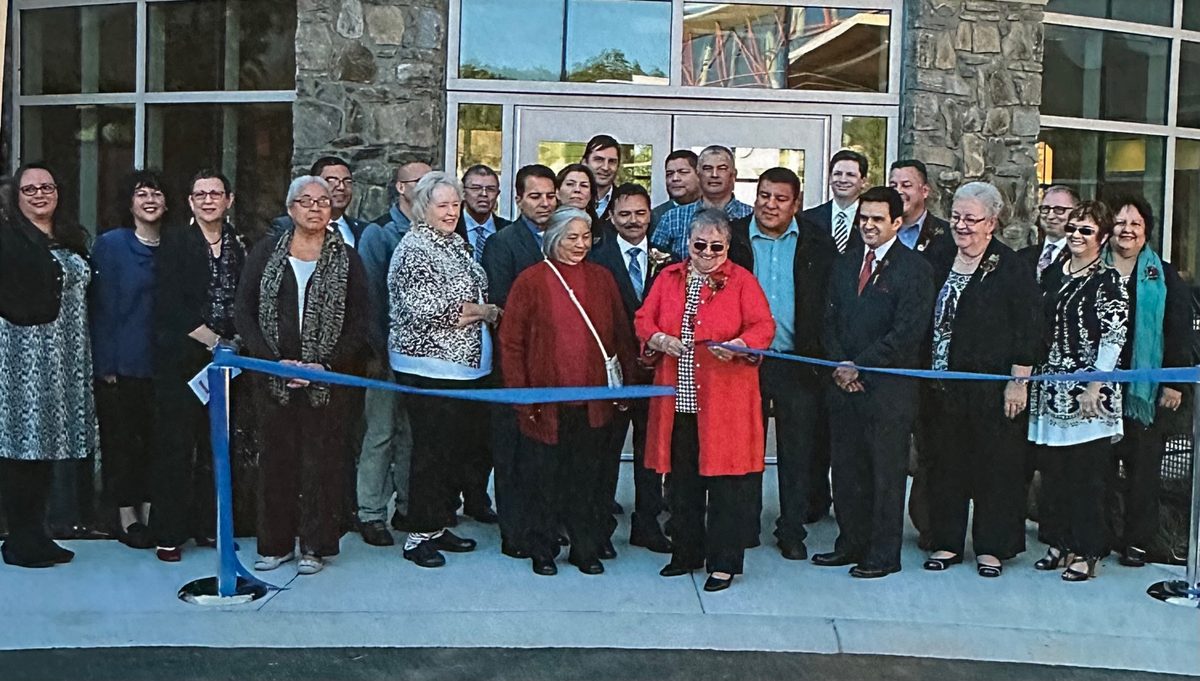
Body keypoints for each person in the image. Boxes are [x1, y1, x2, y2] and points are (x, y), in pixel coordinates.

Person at [237, 176, 372, 575]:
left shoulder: (348, 259)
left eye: (323, 201)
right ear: (290, 208)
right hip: (272, 378)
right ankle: (275, 545)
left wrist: (325, 366)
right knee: (275, 463)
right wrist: (273, 362)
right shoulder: (265, 253)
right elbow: (244, 313)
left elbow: (360, 321)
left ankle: (315, 544)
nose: (315, 208)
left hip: (326, 381)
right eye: (306, 201)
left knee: (322, 463)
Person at [636, 209, 776, 592]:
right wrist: (658, 339)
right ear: (688, 244)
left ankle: (724, 564)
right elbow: (644, 319)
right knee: (682, 483)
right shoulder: (668, 277)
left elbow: (764, 326)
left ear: (728, 246)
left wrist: (740, 345)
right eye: (700, 245)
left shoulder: (742, 281)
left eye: (717, 247)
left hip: (725, 404)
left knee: (727, 485)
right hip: (678, 402)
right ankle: (685, 553)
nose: (708, 253)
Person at [501, 206, 637, 575]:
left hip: (592, 403)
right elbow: (511, 343)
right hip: (545, 404)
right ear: (554, 238)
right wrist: (522, 396)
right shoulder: (531, 280)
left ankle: (585, 548)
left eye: (586, 237)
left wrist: (625, 387)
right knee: (543, 480)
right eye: (572, 237)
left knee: (587, 480)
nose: (580, 244)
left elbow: (620, 335)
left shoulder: (602, 278)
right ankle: (543, 549)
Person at [920, 182, 1041, 578]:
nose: (961, 225)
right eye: (956, 217)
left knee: (995, 468)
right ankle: (946, 541)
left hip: (993, 390)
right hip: (942, 387)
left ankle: (991, 548)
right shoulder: (939, 255)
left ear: (992, 222)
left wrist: (1019, 381)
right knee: (945, 464)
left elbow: (1029, 327)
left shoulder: (1010, 266)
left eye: (971, 219)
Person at [815, 186, 935, 579]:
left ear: (897, 223)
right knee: (846, 471)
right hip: (843, 387)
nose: (868, 225)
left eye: (877, 219)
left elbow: (907, 333)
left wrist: (860, 367)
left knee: (885, 476)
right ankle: (850, 543)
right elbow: (828, 319)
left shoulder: (915, 269)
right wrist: (840, 365)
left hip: (887, 392)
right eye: (863, 218)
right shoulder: (846, 262)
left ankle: (883, 555)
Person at [388, 171, 498, 568]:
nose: (451, 212)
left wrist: (479, 311)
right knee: (431, 454)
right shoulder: (414, 248)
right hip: (429, 368)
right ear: (423, 208)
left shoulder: (453, 243)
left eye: (455, 204)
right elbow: (430, 310)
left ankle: (437, 525)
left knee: (451, 453)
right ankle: (418, 536)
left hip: (463, 371)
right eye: (443, 205)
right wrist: (485, 311)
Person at [727, 167, 837, 561]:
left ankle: (792, 529)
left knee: (798, 452)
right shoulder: (733, 237)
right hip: (744, 362)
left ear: (796, 204)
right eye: (764, 195)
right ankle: (744, 524)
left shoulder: (817, 242)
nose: (770, 205)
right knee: (745, 448)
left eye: (780, 198)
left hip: (797, 362)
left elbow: (829, 304)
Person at [0, 163, 96, 568]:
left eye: (47, 187)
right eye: (30, 189)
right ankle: (20, 540)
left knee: (47, 447)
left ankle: (39, 534)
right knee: (22, 447)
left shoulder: (70, 238)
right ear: (16, 197)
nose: (40, 195)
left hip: (67, 353)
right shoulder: (8, 240)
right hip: (23, 354)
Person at [1029, 200, 1129, 582]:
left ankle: (1088, 551)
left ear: (1102, 238)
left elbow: (1114, 336)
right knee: (1055, 474)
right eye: (1072, 228)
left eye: (1086, 230)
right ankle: (1059, 542)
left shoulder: (1108, 281)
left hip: (1089, 394)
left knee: (1087, 476)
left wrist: (1095, 384)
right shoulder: (1054, 272)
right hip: (1052, 390)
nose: (1076, 235)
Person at [150, 169, 246, 563]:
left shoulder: (239, 244)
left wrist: (235, 343)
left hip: (229, 363)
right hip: (183, 359)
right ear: (190, 202)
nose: (208, 200)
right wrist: (213, 341)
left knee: (218, 447)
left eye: (215, 194)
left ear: (229, 200)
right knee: (176, 447)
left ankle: (211, 526)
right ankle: (169, 534)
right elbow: (170, 304)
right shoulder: (175, 243)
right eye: (200, 194)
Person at [1104, 195, 1191, 567]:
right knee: (1098, 468)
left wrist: (1173, 382)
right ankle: (1100, 536)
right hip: (1100, 390)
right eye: (1120, 222)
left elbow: (1179, 331)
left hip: (1145, 392)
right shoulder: (1093, 267)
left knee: (1143, 470)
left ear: (1146, 231)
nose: (1126, 230)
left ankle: (1137, 542)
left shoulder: (1163, 275)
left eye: (1135, 224)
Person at [589, 183, 673, 554]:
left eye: (640, 213)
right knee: (605, 453)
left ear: (650, 214)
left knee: (651, 453)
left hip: (657, 373)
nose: (633, 221)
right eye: (624, 214)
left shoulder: (668, 260)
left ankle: (647, 524)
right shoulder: (597, 259)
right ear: (610, 217)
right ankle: (600, 529)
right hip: (613, 373)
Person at [482, 164, 559, 559]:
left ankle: (546, 525)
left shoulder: (564, 237)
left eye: (550, 196)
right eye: (535, 196)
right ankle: (514, 533)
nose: (544, 203)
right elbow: (502, 301)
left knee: (545, 453)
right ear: (518, 199)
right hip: (515, 362)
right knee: (512, 452)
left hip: (556, 367)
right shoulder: (503, 243)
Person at [90, 170, 168, 550]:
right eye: (142, 194)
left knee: (157, 443)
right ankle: (125, 515)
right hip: (121, 364)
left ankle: (152, 511)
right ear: (130, 202)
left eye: (156, 193)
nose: (150, 200)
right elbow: (100, 307)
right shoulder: (111, 245)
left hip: (164, 364)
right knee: (122, 443)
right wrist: (105, 364)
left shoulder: (175, 246)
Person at [354, 160, 430, 544]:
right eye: (420, 181)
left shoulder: (434, 232)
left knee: (412, 435)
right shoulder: (379, 233)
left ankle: (408, 508)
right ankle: (370, 513)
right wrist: (376, 352)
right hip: (385, 353)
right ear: (401, 188)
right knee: (380, 433)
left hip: (422, 358)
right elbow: (369, 298)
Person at [652, 146, 753, 259]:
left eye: (722, 168)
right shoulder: (673, 218)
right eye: (707, 168)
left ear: (733, 174)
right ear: (698, 174)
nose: (714, 174)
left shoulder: (751, 216)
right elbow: (655, 260)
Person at [266, 157, 367, 247]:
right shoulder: (287, 226)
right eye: (331, 181)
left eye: (347, 181)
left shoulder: (365, 231)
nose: (341, 187)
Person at [802, 149, 869, 255]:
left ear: (863, 182)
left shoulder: (871, 218)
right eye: (837, 174)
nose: (843, 180)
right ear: (830, 178)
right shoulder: (808, 218)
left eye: (850, 175)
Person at [888, 159, 953, 254]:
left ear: (924, 191)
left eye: (906, 185)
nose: (898, 191)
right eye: (893, 186)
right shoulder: (879, 229)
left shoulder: (947, 234)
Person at [1019, 185, 1078, 282]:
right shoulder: (1021, 257)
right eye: (1045, 208)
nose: (1050, 216)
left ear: (1076, 213)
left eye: (1059, 209)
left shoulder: (1081, 257)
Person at [456, 164, 511, 264]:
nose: (484, 194)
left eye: (490, 189)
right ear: (463, 193)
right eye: (476, 188)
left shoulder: (509, 231)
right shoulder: (451, 229)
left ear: (497, 194)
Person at [368, 161, 433, 227]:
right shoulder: (380, 230)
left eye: (434, 182)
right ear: (401, 187)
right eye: (421, 182)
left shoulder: (436, 225)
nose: (430, 187)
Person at [652, 150, 702, 232]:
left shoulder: (714, 210)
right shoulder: (656, 216)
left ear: (699, 175)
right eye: (669, 174)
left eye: (683, 172)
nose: (675, 178)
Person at [581, 134, 621, 219]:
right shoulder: (572, 199)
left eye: (612, 161)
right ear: (584, 163)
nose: (605, 167)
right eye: (599, 159)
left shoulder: (625, 202)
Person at [555, 163, 601, 233]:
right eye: (570, 184)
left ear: (591, 194)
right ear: (557, 192)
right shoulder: (544, 226)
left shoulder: (603, 233)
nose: (577, 190)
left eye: (584, 185)